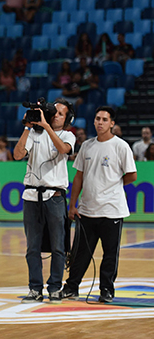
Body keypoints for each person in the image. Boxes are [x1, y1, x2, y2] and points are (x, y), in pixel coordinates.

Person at [62, 106, 137, 303]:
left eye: (104, 119)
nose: (100, 122)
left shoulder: (121, 146)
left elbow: (132, 175)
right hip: (87, 210)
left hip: (112, 210)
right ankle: (71, 287)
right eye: (97, 119)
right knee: (80, 253)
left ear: (112, 123)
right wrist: (72, 205)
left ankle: (106, 290)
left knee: (110, 254)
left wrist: (113, 184)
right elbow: (78, 177)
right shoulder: (86, 146)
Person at [13, 98, 76, 304]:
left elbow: (64, 150)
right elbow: (17, 155)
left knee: (58, 246)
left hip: (55, 197)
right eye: (54, 111)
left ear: (67, 119)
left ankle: (55, 287)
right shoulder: (34, 133)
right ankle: (35, 288)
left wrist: (47, 127)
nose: (55, 114)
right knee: (32, 247)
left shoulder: (67, 135)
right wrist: (27, 127)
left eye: (60, 113)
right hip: (31, 196)